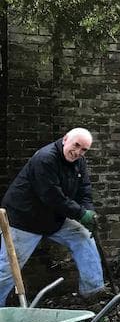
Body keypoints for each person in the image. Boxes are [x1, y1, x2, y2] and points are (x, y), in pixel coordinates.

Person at [0, 128, 105, 306]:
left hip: (53, 219)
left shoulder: (79, 162)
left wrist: (89, 211)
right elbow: (51, 196)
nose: (78, 152)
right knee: (9, 267)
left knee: (83, 237)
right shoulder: (45, 159)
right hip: (24, 219)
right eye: (76, 145)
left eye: (84, 149)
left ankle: (93, 292)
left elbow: (84, 190)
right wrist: (80, 214)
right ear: (65, 139)